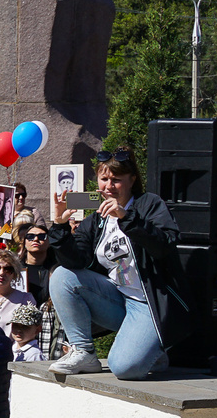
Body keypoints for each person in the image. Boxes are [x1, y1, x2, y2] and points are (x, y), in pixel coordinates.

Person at [45, 148, 185, 380]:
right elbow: (75, 261)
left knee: (124, 368)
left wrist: (127, 217)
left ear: (132, 180)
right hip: (116, 298)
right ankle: (83, 352)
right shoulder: (97, 219)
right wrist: (59, 226)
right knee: (62, 275)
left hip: (149, 304)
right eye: (104, 179)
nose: (109, 186)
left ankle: (153, 350)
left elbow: (165, 244)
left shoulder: (149, 204)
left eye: (116, 180)